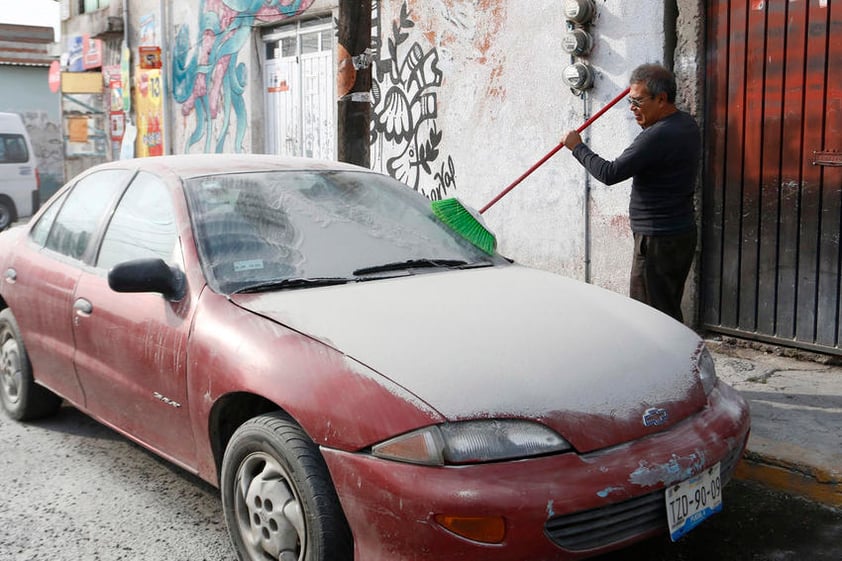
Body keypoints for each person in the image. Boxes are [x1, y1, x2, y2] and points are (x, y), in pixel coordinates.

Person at [562, 63, 701, 323]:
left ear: (661, 99)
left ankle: (664, 362)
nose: (632, 108)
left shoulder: (657, 136)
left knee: (650, 317)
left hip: (657, 239)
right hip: (679, 234)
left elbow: (610, 173)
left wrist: (577, 147)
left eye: (638, 101)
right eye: (629, 100)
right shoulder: (686, 124)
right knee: (667, 308)